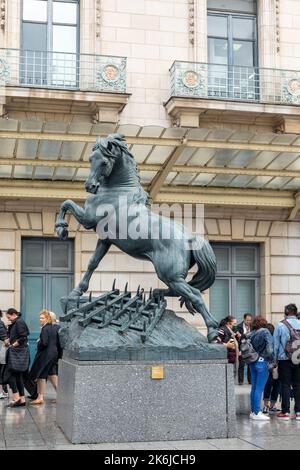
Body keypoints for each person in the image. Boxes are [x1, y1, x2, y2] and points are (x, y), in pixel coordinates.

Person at [273, 303, 300, 421]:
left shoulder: (280, 325)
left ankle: (285, 412)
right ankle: (298, 412)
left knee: (285, 385)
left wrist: (274, 361)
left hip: (284, 359)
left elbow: (275, 345)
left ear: (287, 312)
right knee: (298, 385)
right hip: (298, 358)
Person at [29, 310, 61, 405]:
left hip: (46, 355)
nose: (40, 319)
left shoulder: (45, 328)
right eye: (40, 318)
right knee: (53, 375)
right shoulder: (57, 327)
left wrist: (39, 343)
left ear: (48, 318)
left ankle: (40, 397)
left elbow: (44, 343)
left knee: (41, 375)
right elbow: (59, 343)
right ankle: (61, 397)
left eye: (42, 318)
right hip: (54, 354)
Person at [249, 315, 274, 421]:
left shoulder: (251, 333)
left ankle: (253, 411)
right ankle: (257, 412)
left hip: (252, 362)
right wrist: (267, 358)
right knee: (259, 388)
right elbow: (270, 350)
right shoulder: (265, 332)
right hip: (262, 362)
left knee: (254, 388)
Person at [4, 308, 30, 408]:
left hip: (17, 352)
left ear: (14, 314)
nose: (9, 319)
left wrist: (12, 345)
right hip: (18, 352)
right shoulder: (17, 322)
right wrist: (9, 340)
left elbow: (23, 337)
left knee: (9, 375)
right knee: (18, 376)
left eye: (9, 317)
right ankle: (22, 399)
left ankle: (16, 398)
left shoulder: (19, 322)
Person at [262, 323, 280, 414]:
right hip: (277, 365)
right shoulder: (277, 339)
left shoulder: (264, 340)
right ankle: (273, 406)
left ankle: (265, 406)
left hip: (267, 365)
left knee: (267, 385)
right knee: (277, 385)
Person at [237, 313, 253, 385]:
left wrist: (242, 335)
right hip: (242, 348)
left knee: (250, 365)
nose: (248, 322)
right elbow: (238, 338)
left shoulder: (253, 327)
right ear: (244, 319)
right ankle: (241, 381)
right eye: (247, 320)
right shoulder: (239, 327)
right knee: (241, 365)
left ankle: (250, 380)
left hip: (250, 348)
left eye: (250, 320)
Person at [0, 310, 9, 399]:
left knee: (1, 372)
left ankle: (4, 391)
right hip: (2, 352)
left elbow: (6, 339)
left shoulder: (0, 324)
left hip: (1, 352)